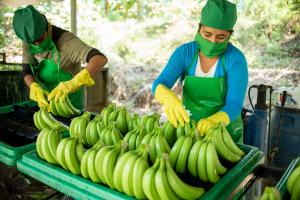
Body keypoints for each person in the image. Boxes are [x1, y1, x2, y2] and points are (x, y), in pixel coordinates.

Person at [152, 0, 248, 143]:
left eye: (221, 37)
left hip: (225, 134)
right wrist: (166, 96)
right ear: (199, 28)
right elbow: (160, 83)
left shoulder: (235, 60)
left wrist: (215, 121)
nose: (213, 41)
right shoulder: (185, 53)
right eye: (207, 34)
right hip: (190, 130)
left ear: (229, 35)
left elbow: (234, 104)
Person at [13, 5, 108, 110]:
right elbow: (26, 71)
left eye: (40, 39)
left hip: (71, 103)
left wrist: (75, 83)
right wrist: (34, 87)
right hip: (46, 101)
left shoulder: (67, 42)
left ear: (46, 28)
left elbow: (100, 58)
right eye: (32, 42)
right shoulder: (28, 40)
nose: (37, 44)